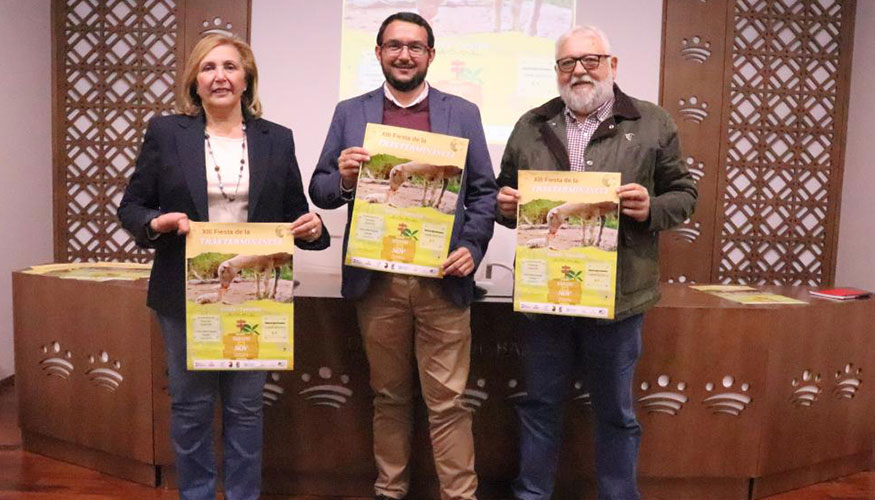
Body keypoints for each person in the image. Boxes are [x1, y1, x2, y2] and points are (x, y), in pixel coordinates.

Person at [118, 34, 329, 500]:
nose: (220, 76)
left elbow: (298, 213)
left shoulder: (277, 138)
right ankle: (194, 493)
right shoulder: (167, 132)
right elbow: (131, 207)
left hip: (254, 295)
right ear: (194, 79)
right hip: (184, 292)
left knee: (247, 407)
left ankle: (242, 495)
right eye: (208, 67)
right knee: (191, 406)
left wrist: (313, 228)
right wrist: (157, 221)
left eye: (230, 67)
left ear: (246, 77)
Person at [495, 26, 697, 500]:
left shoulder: (652, 121)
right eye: (568, 63)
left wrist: (651, 208)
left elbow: (685, 194)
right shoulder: (530, 124)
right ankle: (531, 495)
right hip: (545, 298)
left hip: (619, 299)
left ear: (613, 64)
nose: (579, 70)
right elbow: (505, 196)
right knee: (540, 405)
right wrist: (505, 208)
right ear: (558, 71)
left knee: (615, 413)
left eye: (591, 59)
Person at [309, 12, 497, 500]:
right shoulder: (351, 111)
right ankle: (389, 492)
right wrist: (346, 180)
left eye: (415, 46)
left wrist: (471, 247)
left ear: (431, 55)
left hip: (442, 280)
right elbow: (321, 190)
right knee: (389, 398)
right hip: (378, 280)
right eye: (394, 45)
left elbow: (483, 192)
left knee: (449, 402)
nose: (404, 55)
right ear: (378, 53)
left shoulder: (463, 112)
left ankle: (460, 496)